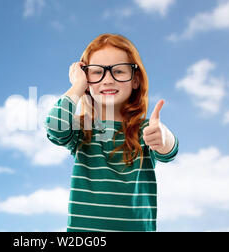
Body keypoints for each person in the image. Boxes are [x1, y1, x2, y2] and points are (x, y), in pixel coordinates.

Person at [44, 33, 179, 232]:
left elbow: (169, 151)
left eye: (119, 71)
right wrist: (78, 87)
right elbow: (55, 126)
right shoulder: (82, 129)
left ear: (135, 80)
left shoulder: (145, 130)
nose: (107, 80)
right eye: (97, 72)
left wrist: (163, 137)